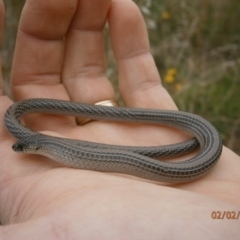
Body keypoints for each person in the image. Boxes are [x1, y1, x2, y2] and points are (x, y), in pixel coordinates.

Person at [0, 0, 239, 239]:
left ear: (34, 145)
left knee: (196, 138)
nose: (18, 147)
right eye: (21, 146)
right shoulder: (40, 140)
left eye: (22, 146)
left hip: (202, 161)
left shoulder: (44, 144)